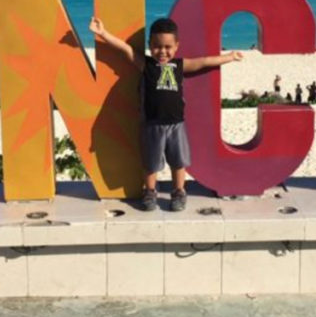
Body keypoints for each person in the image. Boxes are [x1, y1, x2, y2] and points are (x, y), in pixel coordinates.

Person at [89, 16, 243, 212]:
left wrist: (229, 57)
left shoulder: (179, 65)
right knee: (150, 163)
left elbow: (203, 62)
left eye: (167, 47)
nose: (162, 51)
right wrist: (103, 33)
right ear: (149, 46)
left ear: (176, 46)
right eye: (157, 46)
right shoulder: (146, 65)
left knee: (178, 162)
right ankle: (150, 191)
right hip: (151, 125)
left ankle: (179, 192)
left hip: (176, 124)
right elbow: (125, 49)